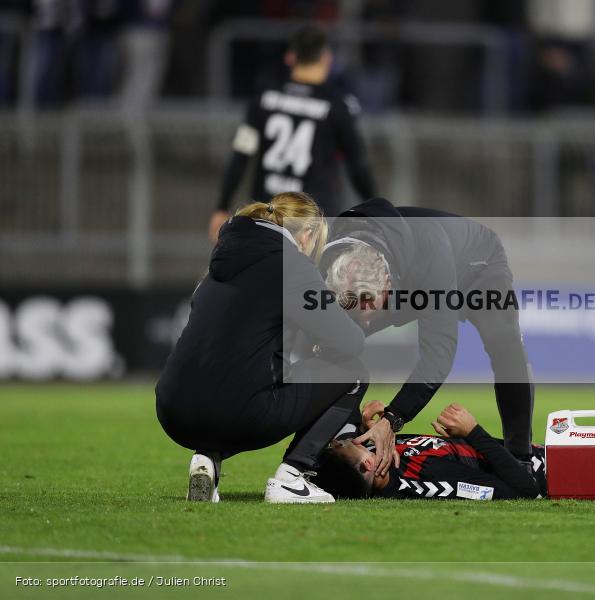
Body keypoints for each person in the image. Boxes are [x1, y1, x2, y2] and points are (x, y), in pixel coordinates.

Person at [157, 192, 393, 505]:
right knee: (354, 373)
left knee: (236, 380)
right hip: (235, 413)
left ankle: (208, 460)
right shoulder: (292, 264)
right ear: (306, 236)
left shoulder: (222, 260)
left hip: (172, 408)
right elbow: (350, 341)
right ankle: (292, 477)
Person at [321, 197, 535, 464]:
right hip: (405, 270)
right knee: (339, 343)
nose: (366, 323)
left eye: (369, 311)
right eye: (356, 312)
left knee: (505, 346)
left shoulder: (429, 254)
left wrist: (393, 418)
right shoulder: (331, 260)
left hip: (477, 267)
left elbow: (439, 354)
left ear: (387, 285)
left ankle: (521, 456)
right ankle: (345, 436)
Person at [311, 402, 595, 501]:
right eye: (355, 444)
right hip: (546, 472)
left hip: (529, 450)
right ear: (371, 465)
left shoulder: (390, 454)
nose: (358, 438)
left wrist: (376, 423)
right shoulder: (428, 486)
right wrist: (475, 432)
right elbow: (519, 490)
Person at [209, 24, 376, 242]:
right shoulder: (337, 106)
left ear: (290, 57)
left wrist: (222, 206)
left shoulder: (264, 99)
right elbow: (358, 165)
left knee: (267, 272)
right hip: (312, 219)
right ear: (326, 58)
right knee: (307, 275)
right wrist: (375, 210)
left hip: (269, 211)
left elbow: (241, 155)